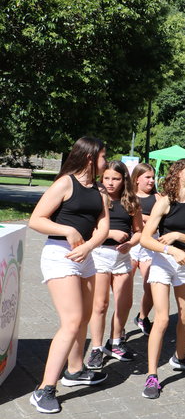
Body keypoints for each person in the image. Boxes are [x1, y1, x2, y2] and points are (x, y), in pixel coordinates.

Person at [27, 137, 110, 414]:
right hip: (59, 255)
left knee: (83, 317)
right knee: (72, 321)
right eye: (103, 157)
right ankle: (44, 389)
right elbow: (36, 219)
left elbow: (103, 227)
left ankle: (74, 370)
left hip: (85, 256)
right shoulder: (65, 183)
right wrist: (68, 231)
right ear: (90, 157)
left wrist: (87, 245)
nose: (105, 162)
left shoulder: (99, 190)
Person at [139, 159, 185, 399]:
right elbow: (146, 239)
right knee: (161, 319)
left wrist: (178, 236)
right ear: (178, 173)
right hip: (162, 262)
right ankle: (152, 375)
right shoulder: (164, 202)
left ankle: (181, 358)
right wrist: (170, 249)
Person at [87, 161, 142, 371]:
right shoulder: (96, 198)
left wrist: (130, 243)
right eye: (107, 178)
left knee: (124, 303)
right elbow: (88, 229)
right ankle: (96, 348)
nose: (110, 183)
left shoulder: (131, 201)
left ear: (124, 180)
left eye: (116, 179)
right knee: (100, 305)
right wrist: (110, 234)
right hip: (100, 254)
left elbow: (139, 231)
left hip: (122, 257)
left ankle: (115, 341)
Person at [130, 163, 160, 336]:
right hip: (132, 245)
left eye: (152, 177)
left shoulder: (158, 198)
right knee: (124, 289)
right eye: (147, 177)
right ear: (136, 179)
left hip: (150, 246)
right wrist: (148, 219)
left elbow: (158, 223)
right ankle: (118, 330)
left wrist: (142, 218)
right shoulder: (130, 196)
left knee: (151, 287)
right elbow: (130, 219)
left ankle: (142, 317)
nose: (151, 180)